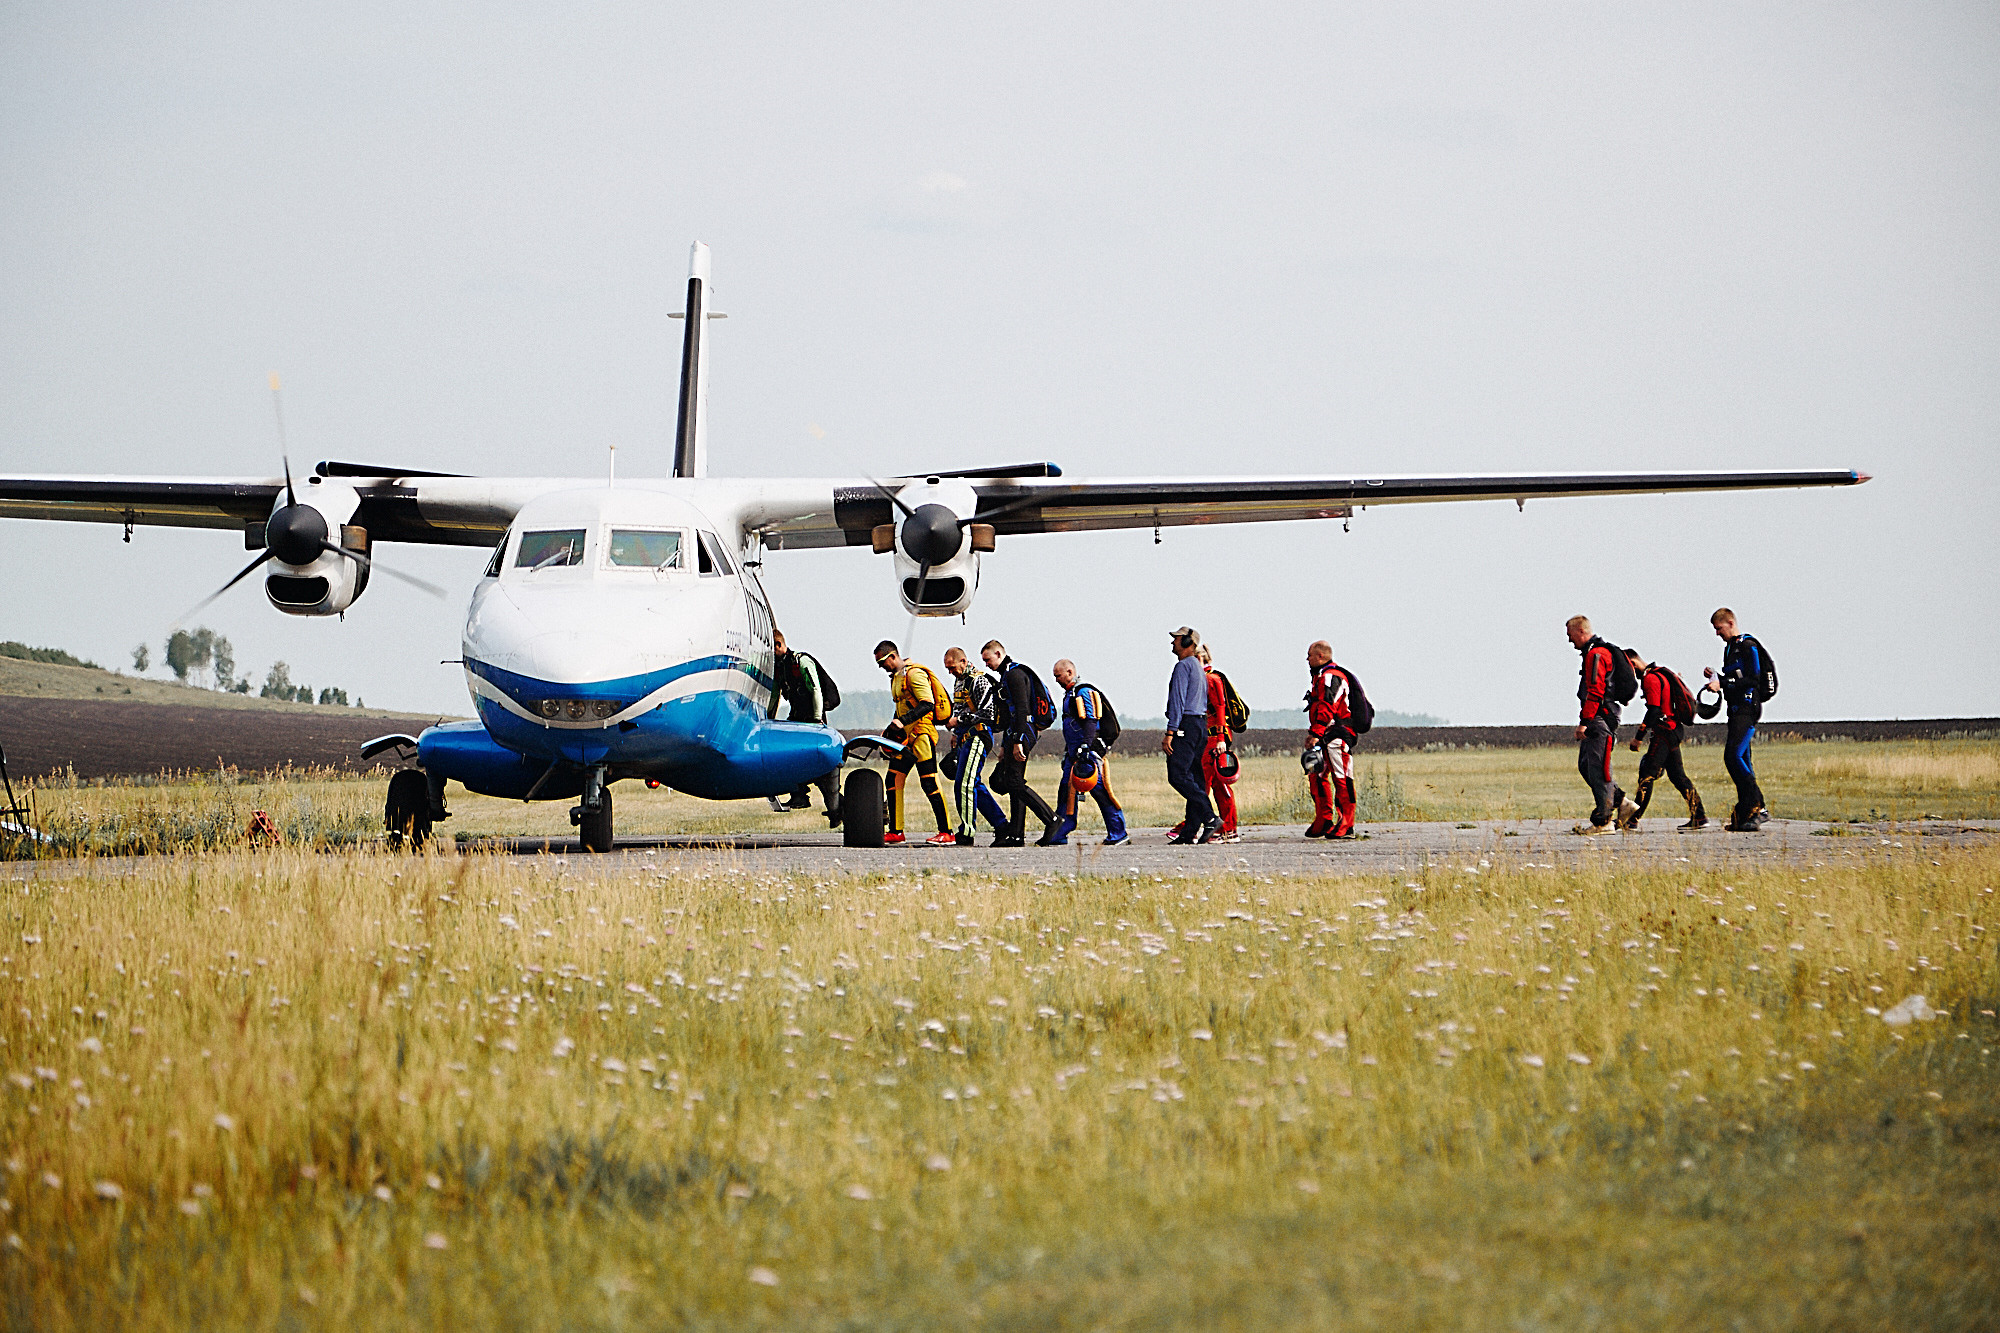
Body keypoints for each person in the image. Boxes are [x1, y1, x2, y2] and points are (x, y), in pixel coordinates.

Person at [873, 641, 956, 846]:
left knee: (929, 781)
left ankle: (947, 832)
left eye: (882, 661)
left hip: (921, 736)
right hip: (904, 740)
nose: (881, 666)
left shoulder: (914, 674)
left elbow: (927, 704)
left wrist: (902, 721)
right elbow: (902, 708)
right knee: (892, 780)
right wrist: (891, 729)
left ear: (893, 656)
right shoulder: (896, 678)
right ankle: (896, 831)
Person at [1040, 659, 1129, 846]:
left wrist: (1086, 747)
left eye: (1058, 675)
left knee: (1100, 790)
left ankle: (1118, 832)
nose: (1056, 680)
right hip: (1073, 754)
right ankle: (1060, 831)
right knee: (1066, 791)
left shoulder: (1083, 692)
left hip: (1087, 754)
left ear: (1070, 672)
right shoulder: (1070, 694)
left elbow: (1091, 720)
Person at [981, 640, 1056, 847]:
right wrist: (1006, 744)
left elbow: (1022, 710)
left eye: (987, 659)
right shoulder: (1007, 675)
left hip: (1024, 731)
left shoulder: (1014, 675)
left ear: (998, 653)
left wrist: (1018, 741)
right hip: (1016, 732)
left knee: (1014, 781)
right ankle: (1016, 835)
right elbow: (1010, 714)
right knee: (1013, 782)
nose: (986, 664)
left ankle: (1052, 820)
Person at [1623, 648, 1707, 833]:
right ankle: (1699, 816)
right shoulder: (1659, 673)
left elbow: (1653, 710)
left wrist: (1638, 738)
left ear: (1633, 664)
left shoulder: (1650, 679)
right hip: (1673, 730)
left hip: (1664, 733)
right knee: (1678, 776)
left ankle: (1633, 819)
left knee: (1647, 775)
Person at [1700, 608, 1769, 831]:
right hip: (1735, 709)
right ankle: (1747, 813)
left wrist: (1724, 683)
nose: (1717, 634)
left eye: (1719, 629)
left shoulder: (1748, 646)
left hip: (1748, 710)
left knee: (1733, 757)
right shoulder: (1730, 648)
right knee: (1743, 760)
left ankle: (1758, 806)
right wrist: (1715, 678)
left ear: (1730, 623)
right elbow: (1734, 677)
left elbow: (1753, 677)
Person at [1566, 615, 1636, 836]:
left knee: (1599, 769)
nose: (1570, 641)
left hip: (1599, 718)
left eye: (1570, 635)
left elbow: (1595, 691)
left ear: (1580, 631)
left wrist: (1584, 723)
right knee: (1587, 765)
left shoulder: (1596, 654)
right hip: (1597, 717)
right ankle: (1623, 804)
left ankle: (1604, 821)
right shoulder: (1593, 652)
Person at [768, 630, 840, 825]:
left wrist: (817, 719)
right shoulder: (780, 667)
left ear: (778, 645)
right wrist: (768, 718)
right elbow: (775, 692)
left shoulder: (801, 662)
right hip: (797, 715)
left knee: (824, 771)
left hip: (812, 716)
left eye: (770, 649)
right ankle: (800, 794)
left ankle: (836, 810)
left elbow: (816, 689)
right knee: (788, 754)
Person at [942, 646, 1009, 847]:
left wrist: (958, 720)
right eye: (947, 668)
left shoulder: (978, 680)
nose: (950, 671)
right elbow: (960, 706)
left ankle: (967, 831)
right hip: (964, 737)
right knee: (973, 784)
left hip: (978, 736)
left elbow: (987, 714)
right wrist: (955, 733)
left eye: (952, 667)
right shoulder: (959, 680)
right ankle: (1002, 825)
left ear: (963, 661)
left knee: (964, 784)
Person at [1162, 627, 1220, 844]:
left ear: (1187, 642)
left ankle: (1210, 817)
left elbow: (1178, 702)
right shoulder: (1197, 666)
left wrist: (1171, 731)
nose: (1172, 644)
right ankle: (1189, 832)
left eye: (1176, 640)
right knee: (1195, 777)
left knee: (1177, 775)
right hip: (1200, 725)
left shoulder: (1183, 666)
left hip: (1185, 724)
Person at [1303, 640, 1358, 839]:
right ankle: (1324, 819)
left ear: (1320, 656)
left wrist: (1315, 734)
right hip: (1325, 736)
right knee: (1316, 775)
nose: (1306, 659)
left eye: (1309, 655)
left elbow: (1327, 706)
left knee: (1341, 778)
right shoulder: (1320, 677)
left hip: (1337, 735)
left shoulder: (1331, 677)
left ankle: (1346, 823)